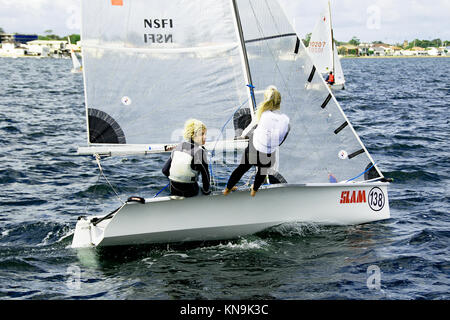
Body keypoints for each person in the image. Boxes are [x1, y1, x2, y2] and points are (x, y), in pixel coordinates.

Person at [223, 86, 290, 197]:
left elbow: (249, 129)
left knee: (241, 169)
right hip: (268, 154)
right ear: (279, 102)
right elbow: (281, 138)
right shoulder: (285, 120)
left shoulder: (263, 114)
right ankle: (254, 191)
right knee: (262, 172)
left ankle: (227, 189)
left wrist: (243, 135)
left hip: (253, 150)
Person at [162, 119, 211, 197]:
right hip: (190, 191)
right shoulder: (200, 152)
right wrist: (207, 192)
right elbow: (206, 178)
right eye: (202, 134)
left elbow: (164, 170)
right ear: (193, 135)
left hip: (173, 189)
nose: (205, 137)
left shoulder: (178, 147)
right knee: (203, 190)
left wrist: (177, 179)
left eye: (205, 134)